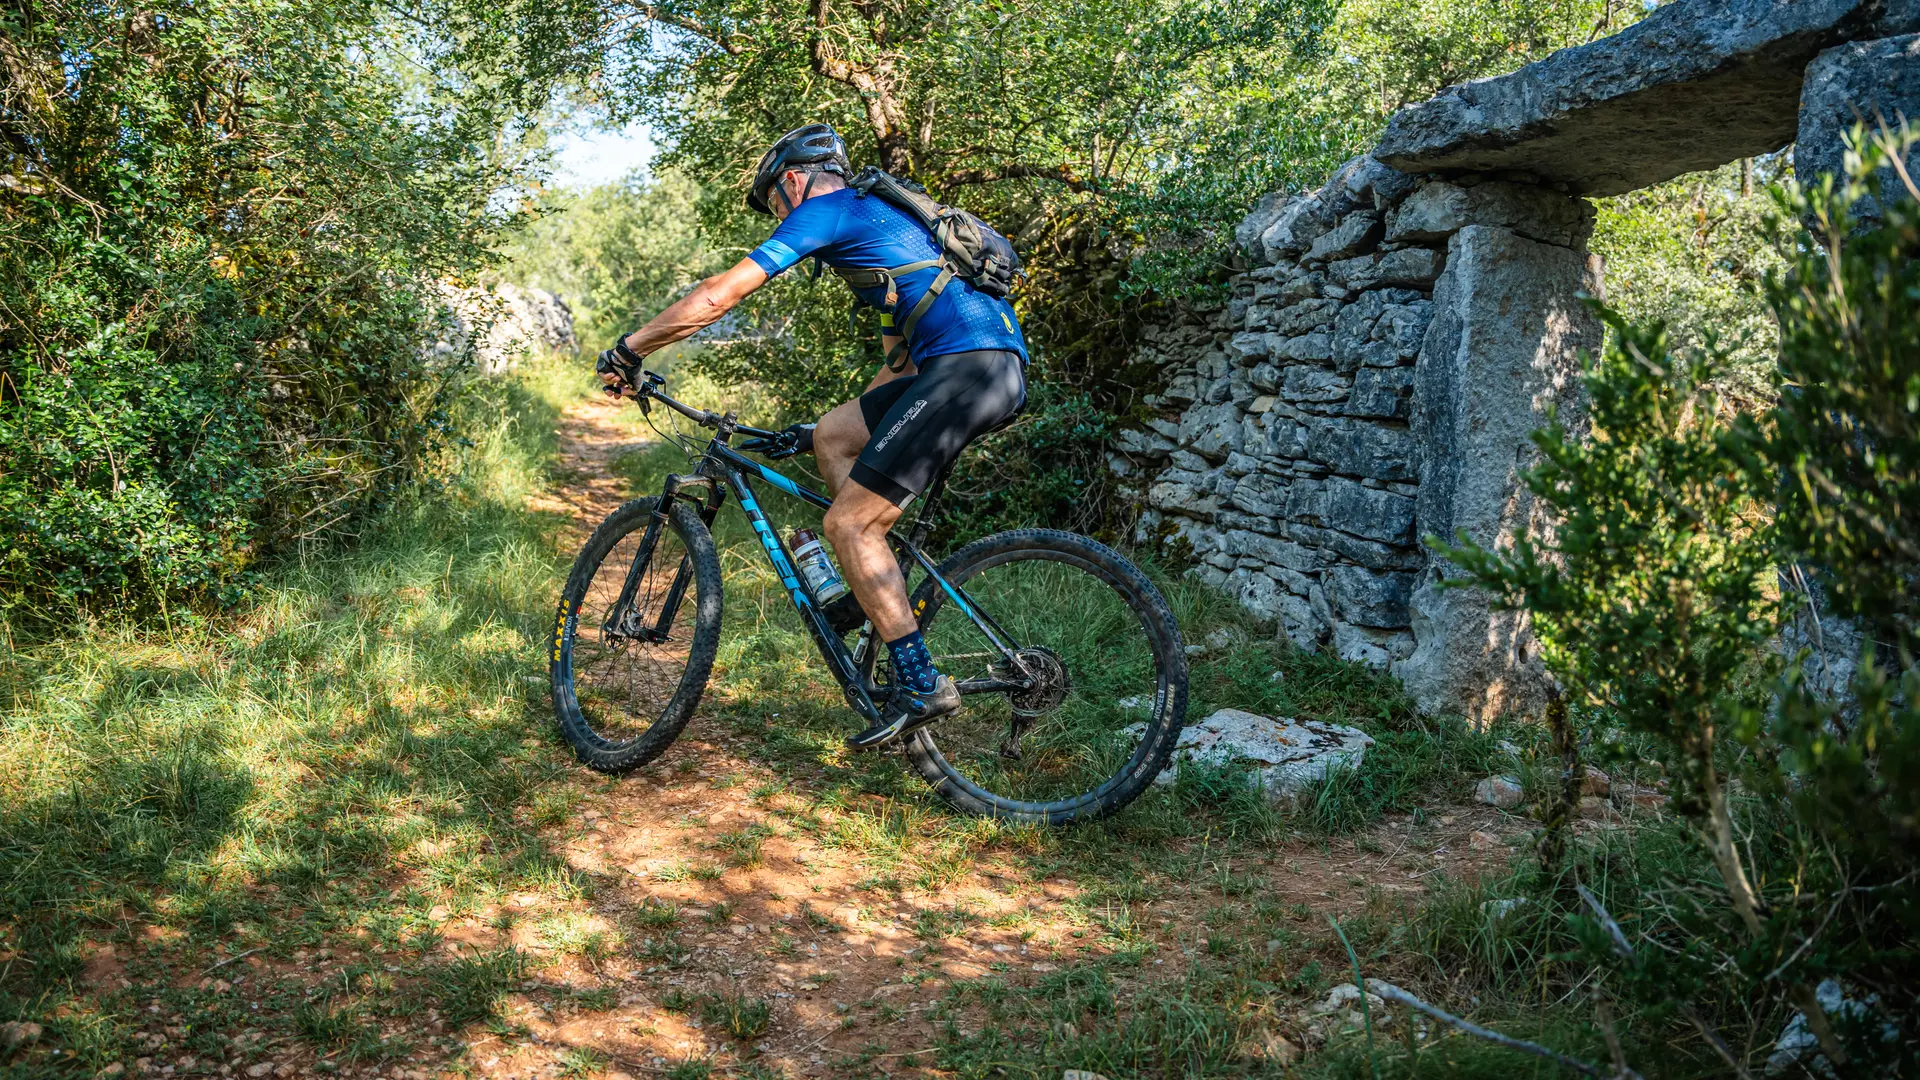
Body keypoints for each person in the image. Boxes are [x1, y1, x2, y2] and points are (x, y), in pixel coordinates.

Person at [596, 124, 1028, 750]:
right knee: (834, 436)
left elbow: (718, 297)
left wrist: (628, 349)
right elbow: (900, 367)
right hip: (972, 367)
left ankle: (920, 680)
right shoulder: (884, 234)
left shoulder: (829, 209)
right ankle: (867, 589)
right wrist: (805, 434)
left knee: (850, 524)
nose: (779, 215)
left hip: (970, 369)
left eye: (775, 203)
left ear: (793, 181)